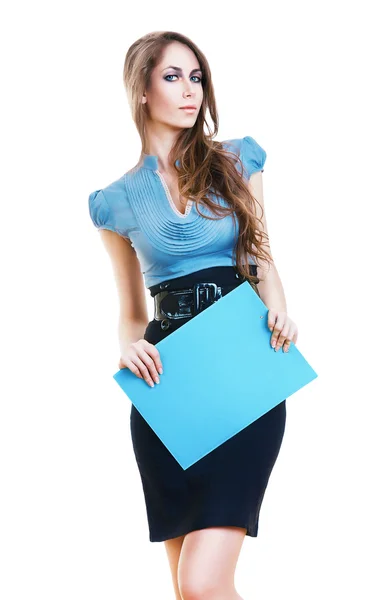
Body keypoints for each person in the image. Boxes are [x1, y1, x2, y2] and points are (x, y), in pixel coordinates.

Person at [88, 30, 298, 600]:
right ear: (141, 90)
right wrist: (126, 346)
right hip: (167, 380)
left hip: (241, 370)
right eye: (173, 76)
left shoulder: (235, 159)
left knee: (204, 583)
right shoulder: (115, 201)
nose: (190, 91)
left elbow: (261, 259)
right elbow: (132, 311)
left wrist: (279, 309)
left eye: (197, 77)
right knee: (186, 592)